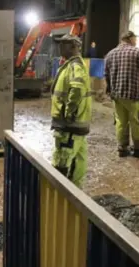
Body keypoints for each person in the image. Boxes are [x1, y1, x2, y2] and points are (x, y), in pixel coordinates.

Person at [51, 35, 92, 188]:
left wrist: (69, 113)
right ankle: (76, 195)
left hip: (70, 126)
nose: (60, 47)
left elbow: (77, 88)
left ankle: (60, 197)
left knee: (62, 162)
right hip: (76, 125)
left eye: (63, 44)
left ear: (73, 46)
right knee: (78, 161)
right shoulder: (74, 65)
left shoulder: (75, 66)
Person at [104, 31, 139, 158]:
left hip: (117, 95)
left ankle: (122, 147)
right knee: (136, 121)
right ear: (130, 39)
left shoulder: (111, 54)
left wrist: (110, 90)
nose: (136, 41)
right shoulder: (138, 53)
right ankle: (138, 148)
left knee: (120, 121)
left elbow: (106, 75)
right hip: (134, 95)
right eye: (135, 38)